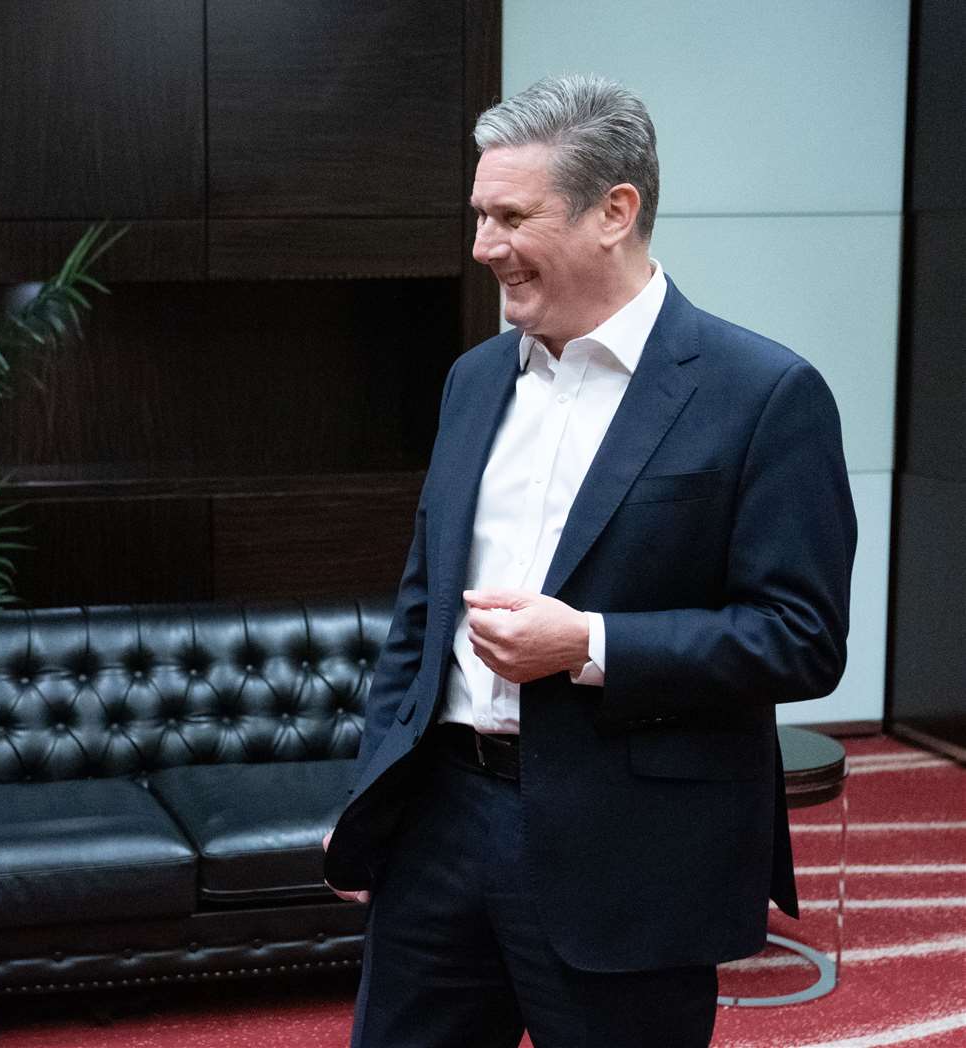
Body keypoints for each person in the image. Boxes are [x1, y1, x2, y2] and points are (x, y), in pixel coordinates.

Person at [322, 75, 856, 1047]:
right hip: (438, 826)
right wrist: (373, 793)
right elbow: (420, 612)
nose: (483, 246)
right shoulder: (474, 379)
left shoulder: (764, 394)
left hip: (630, 850)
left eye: (511, 216)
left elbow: (803, 639)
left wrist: (590, 643)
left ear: (616, 212)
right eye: (479, 215)